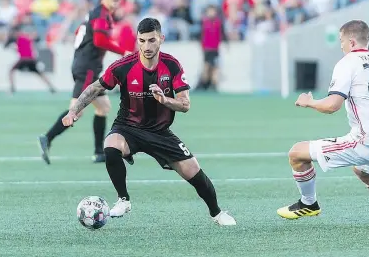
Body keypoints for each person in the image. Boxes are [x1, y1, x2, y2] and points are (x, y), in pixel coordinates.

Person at [61, 18, 237, 226]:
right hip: (128, 127)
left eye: (151, 40)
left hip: (160, 131)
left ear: (161, 39)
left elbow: (185, 104)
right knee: (110, 146)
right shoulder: (123, 66)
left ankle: (216, 213)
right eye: (142, 41)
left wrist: (164, 99)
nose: (146, 46)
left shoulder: (172, 65)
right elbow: (95, 88)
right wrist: (73, 111)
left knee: (192, 170)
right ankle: (123, 200)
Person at [277, 20, 369, 226]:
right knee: (363, 171)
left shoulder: (347, 62)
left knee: (296, 154)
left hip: (366, 140)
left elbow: (332, 105)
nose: (340, 45)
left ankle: (309, 203)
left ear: (352, 42)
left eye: (342, 41)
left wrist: (309, 102)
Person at [38, 0, 131, 164]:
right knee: (76, 110)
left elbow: (82, 34)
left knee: (104, 107)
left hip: (86, 66)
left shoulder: (98, 13)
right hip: (87, 68)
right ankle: (47, 138)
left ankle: (98, 152)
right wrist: (123, 51)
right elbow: (99, 40)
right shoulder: (102, 14)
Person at [5, 15, 55, 94]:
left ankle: (12, 88)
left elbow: (8, 44)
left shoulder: (18, 38)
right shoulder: (26, 38)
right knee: (40, 73)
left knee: (11, 71)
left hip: (24, 59)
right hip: (31, 59)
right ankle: (52, 88)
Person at [195, 5, 228, 91]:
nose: (211, 13)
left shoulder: (219, 23)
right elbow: (201, 36)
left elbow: (223, 34)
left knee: (215, 67)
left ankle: (214, 85)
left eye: (213, 11)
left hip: (215, 49)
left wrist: (226, 44)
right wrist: (202, 46)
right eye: (210, 11)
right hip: (207, 49)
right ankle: (203, 83)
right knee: (206, 66)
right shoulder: (204, 22)